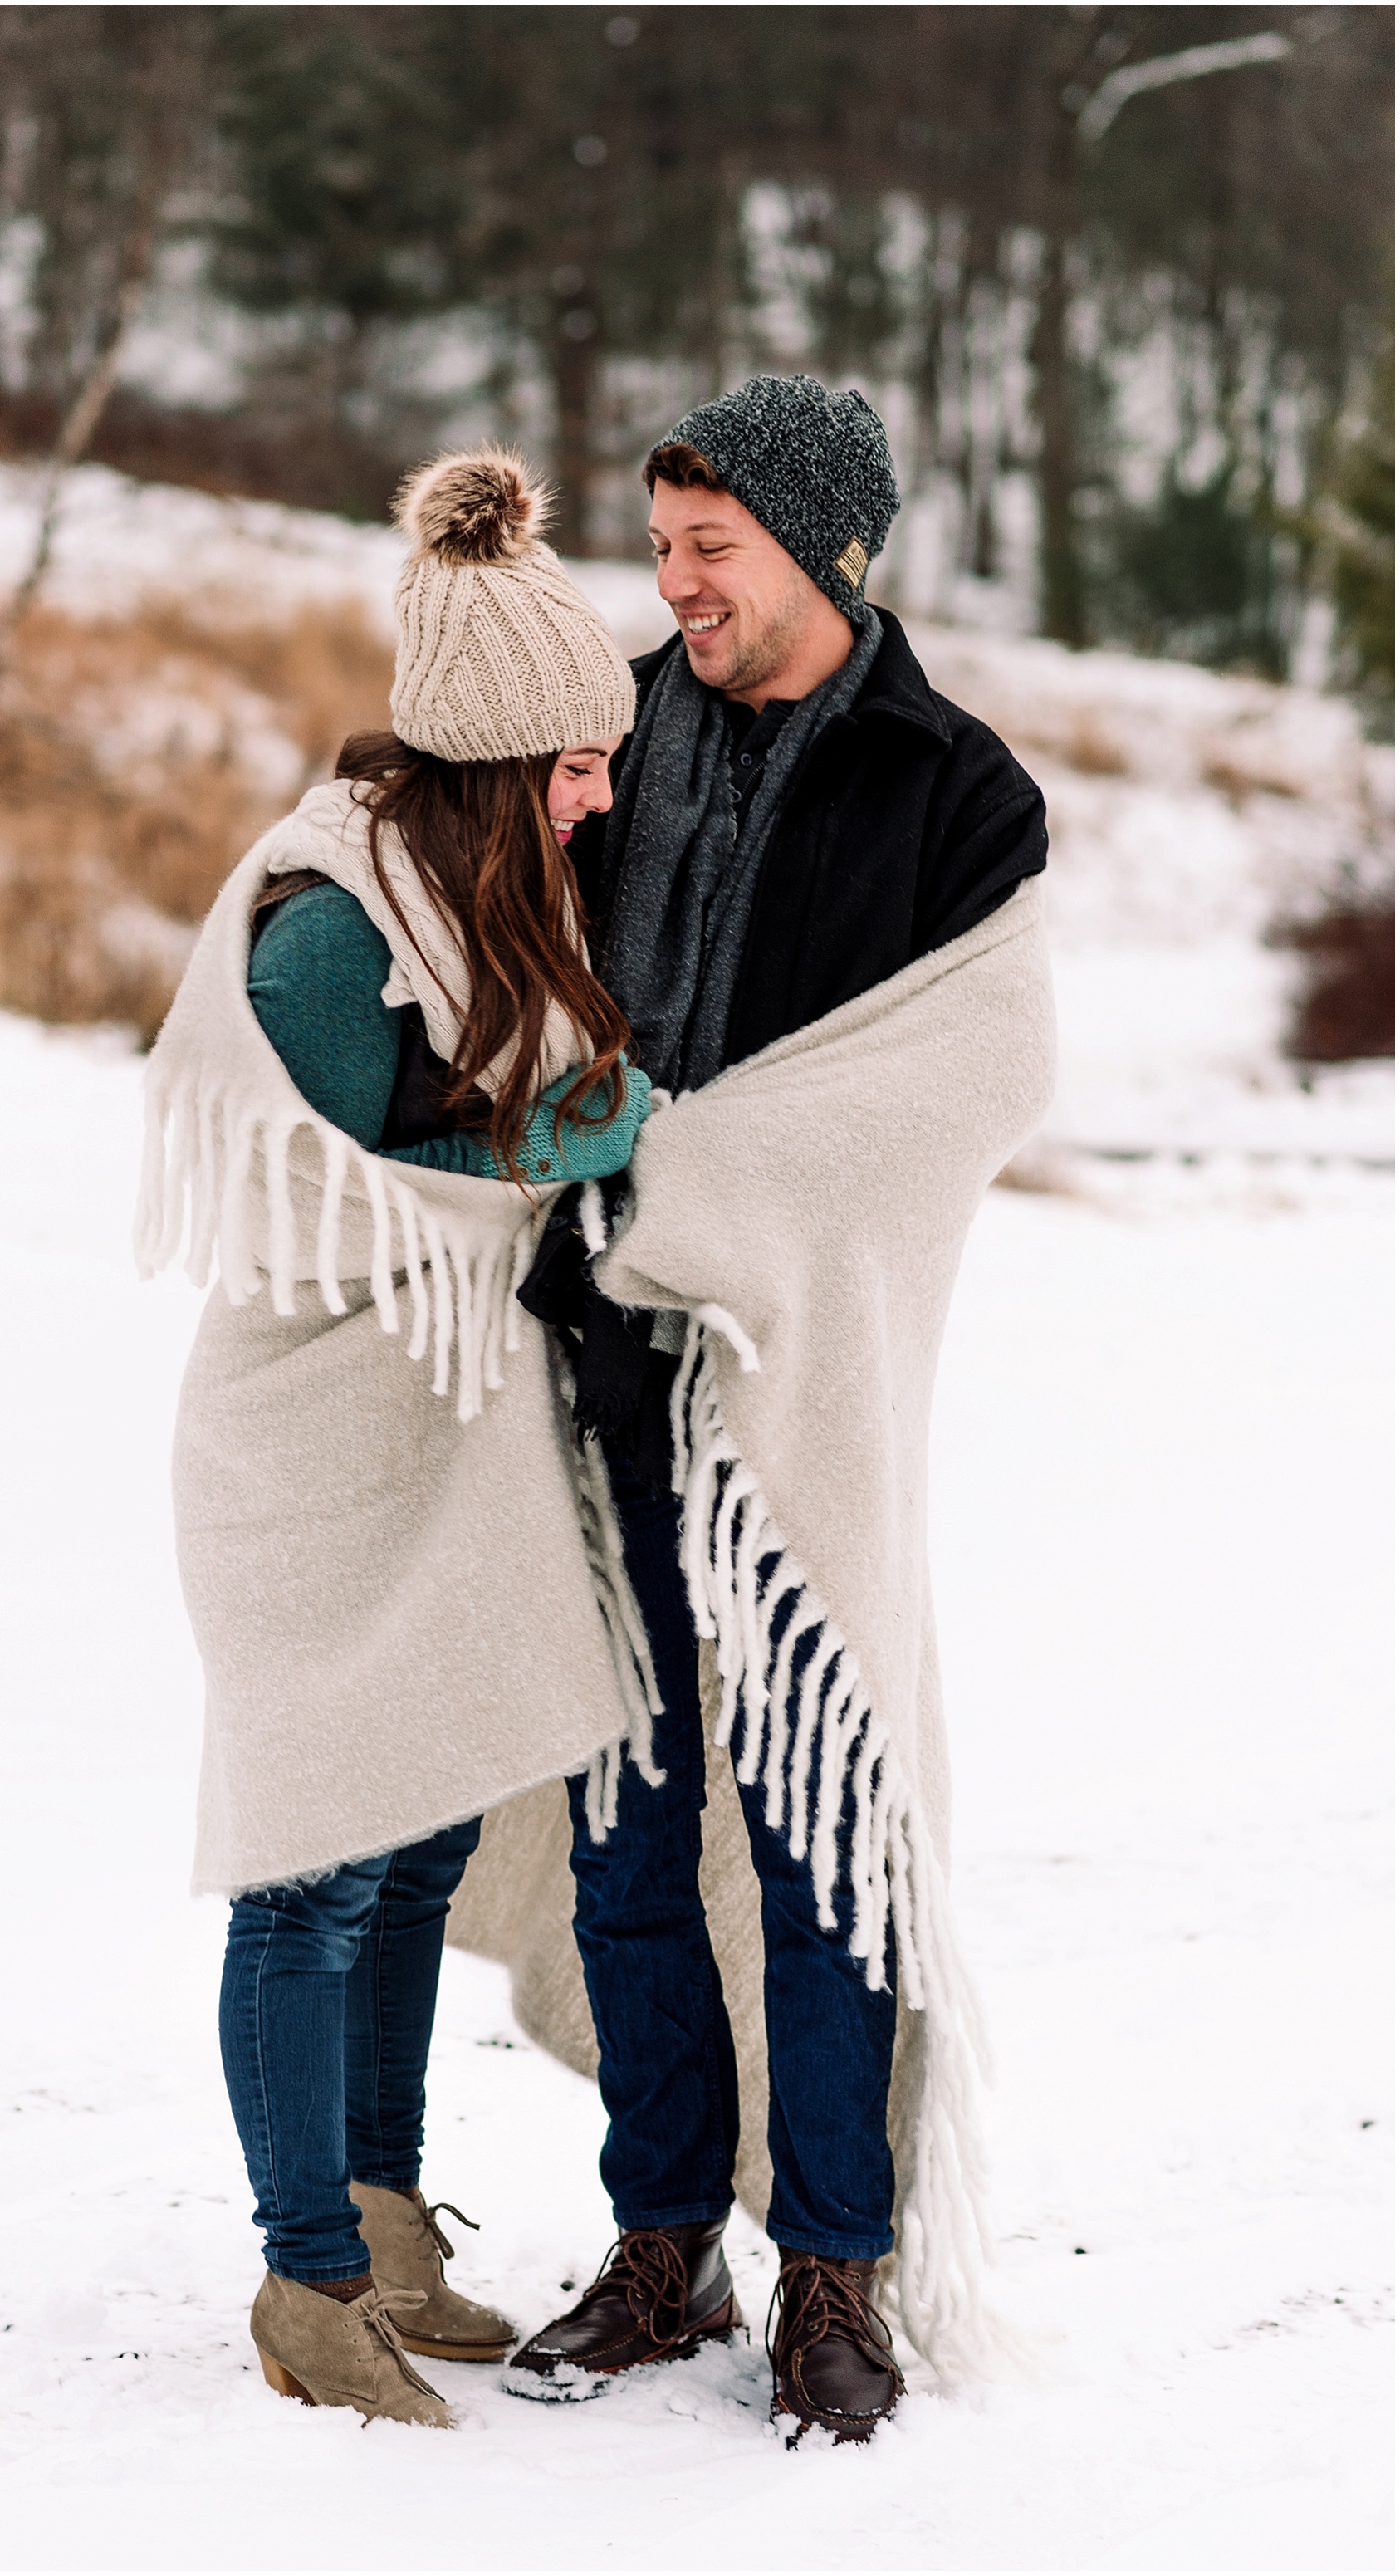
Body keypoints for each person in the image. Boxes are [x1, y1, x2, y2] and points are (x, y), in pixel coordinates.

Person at [500, 375, 1050, 2441]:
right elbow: (477, 958)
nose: (674, 590)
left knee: (825, 1821)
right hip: (590, 1350)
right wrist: (520, 861)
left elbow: (970, 1075)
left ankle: (837, 2268)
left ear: (823, 551)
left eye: (707, 554)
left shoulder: (951, 790)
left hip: (797, 1378)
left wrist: (689, 1170)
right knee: (623, 1820)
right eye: (659, 553)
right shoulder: (603, 733)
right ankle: (663, 2244)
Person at [139, 448, 655, 2428]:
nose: (603, 795)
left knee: (419, 1835)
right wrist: (558, 1138)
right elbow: (323, 1202)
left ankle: (376, 2215)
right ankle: (302, 2282)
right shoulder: (323, 931)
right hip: (309, 1449)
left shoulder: (462, 891)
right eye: (582, 766)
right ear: (500, 761)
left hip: (434, 1431)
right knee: (313, 1869)